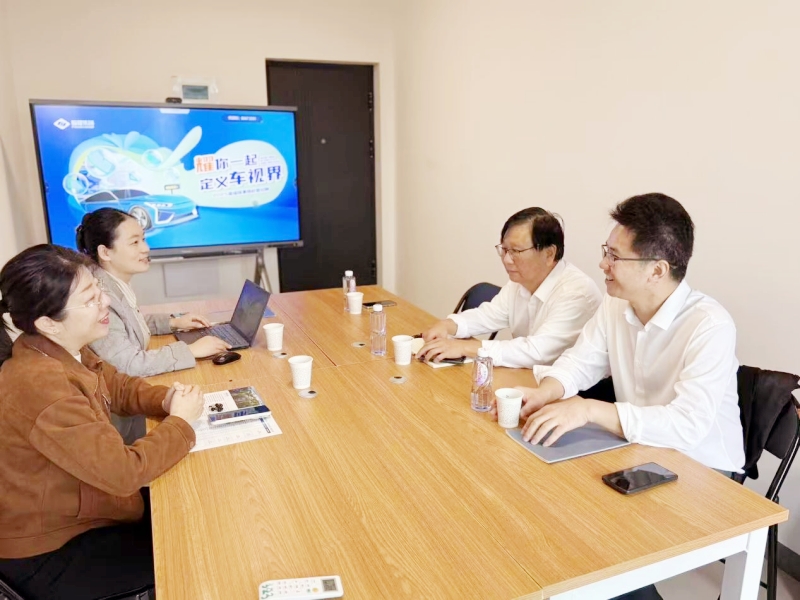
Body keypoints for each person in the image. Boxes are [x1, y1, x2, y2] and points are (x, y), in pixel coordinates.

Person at [0, 244, 204, 600]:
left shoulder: (58, 349)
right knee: (195, 548)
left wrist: (165, 399)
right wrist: (181, 424)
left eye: (100, 291)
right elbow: (122, 473)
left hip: (90, 507)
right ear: (48, 322)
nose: (105, 302)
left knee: (195, 505)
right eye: (90, 299)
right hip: (54, 548)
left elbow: (119, 387)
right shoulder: (40, 383)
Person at [508, 193, 744, 474]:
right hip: (639, 449)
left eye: (615, 256)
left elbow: (687, 425)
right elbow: (580, 361)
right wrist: (544, 393)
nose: (603, 264)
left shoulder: (710, 326)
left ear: (657, 270)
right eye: (606, 251)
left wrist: (588, 409)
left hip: (702, 466)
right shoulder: (616, 303)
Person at [76, 208, 229, 442]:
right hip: (119, 426)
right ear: (105, 252)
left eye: (144, 239)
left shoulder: (110, 282)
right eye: (134, 242)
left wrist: (172, 322)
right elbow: (128, 364)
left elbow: (125, 324)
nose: (146, 248)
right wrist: (190, 351)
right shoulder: (101, 295)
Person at [418, 207, 602, 368]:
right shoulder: (520, 281)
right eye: (504, 250)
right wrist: (448, 325)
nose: (507, 260)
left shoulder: (577, 292)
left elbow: (537, 352)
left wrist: (465, 347)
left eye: (516, 251)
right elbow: (490, 315)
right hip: (530, 377)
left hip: (577, 391)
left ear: (549, 253)